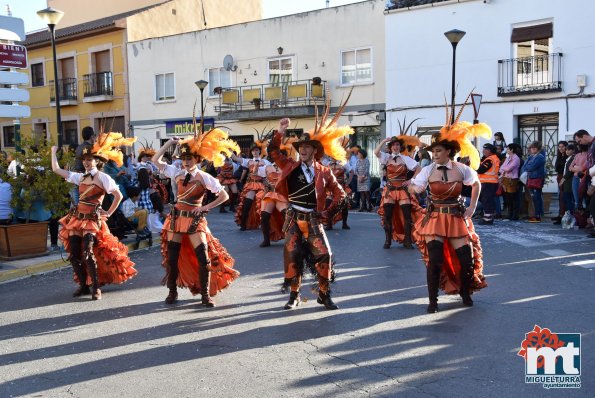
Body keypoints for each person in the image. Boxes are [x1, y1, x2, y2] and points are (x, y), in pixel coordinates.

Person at [408, 105, 489, 313]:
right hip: (434, 218)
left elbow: (477, 184)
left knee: (466, 259)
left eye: (438, 151)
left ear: (449, 152)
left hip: (455, 218)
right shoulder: (427, 170)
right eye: (433, 151)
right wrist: (413, 187)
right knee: (434, 260)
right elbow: (417, 186)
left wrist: (472, 206)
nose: (434, 154)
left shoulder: (462, 169)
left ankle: (465, 292)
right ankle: (432, 301)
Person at [269, 115, 350, 311]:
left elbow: (341, 194)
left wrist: (327, 213)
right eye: (301, 147)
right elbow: (273, 151)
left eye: (307, 147)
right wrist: (281, 131)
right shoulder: (289, 165)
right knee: (292, 255)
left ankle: (324, 294)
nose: (303, 149)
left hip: (314, 221)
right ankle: (294, 296)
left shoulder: (324, 171)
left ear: (315, 150)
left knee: (324, 255)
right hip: (294, 219)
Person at [152, 131, 240, 307]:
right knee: (172, 257)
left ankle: (205, 295)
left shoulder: (205, 177)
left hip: (194, 220)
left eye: (190, 158)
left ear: (197, 159)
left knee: (203, 257)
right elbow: (155, 160)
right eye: (184, 158)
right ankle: (172, 291)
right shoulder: (176, 172)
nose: (186, 161)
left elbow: (224, 196)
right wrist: (169, 142)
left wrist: (204, 208)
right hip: (176, 218)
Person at [50, 133, 137, 300]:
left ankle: (96, 287)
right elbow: (56, 170)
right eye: (84, 160)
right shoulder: (80, 177)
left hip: (92, 220)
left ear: (97, 161)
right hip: (77, 219)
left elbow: (118, 195)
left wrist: (109, 212)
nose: (86, 162)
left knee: (88, 252)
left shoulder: (104, 177)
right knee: (74, 255)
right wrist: (53, 152)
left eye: (89, 159)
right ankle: (83, 285)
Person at [374, 135, 423, 249]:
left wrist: (411, 180)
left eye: (397, 145)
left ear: (400, 147)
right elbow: (376, 152)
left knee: (407, 216)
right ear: (390, 147)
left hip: (402, 190)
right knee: (387, 216)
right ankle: (388, 240)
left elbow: (419, 169)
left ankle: (407, 240)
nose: (395, 147)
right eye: (393, 145)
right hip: (390, 190)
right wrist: (384, 141)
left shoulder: (406, 159)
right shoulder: (386, 157)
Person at [231, 141, 271, 230]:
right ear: (251, 152)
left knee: (264, 205)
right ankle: (243, 225)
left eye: (257, 150)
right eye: (253, 151)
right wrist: (229, 148)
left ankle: (266, 225)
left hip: (262, 184)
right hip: (251, 184)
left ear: (260, 151)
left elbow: (270, 173)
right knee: (247, 204)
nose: (255, 152)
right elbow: (234, 158)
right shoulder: (248, 161)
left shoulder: (266, 161)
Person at [258, 161, 287, 247]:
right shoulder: (267, 166)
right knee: (264, 215)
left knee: (287, 215)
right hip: (270, 194)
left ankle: (293, 238)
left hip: (282, 195)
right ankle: (266, 240)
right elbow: (255, 174)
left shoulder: (288, 166)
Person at [520, 141, 546, 223]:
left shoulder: (540, 157)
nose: (532, 150)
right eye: (531, 148)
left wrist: (528, 167)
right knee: (534, 197)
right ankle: (537, 214)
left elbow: (531, 167)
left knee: (537, 197)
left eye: (534, 148)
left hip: (537, 178)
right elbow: (524, 166)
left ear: (538, 149)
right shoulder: (531, 157)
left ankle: (538, 215)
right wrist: (528, 167)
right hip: (531, 178)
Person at [325, 153, 352, 230]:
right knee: (328, 204)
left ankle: (344, 223)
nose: (332, 157)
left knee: (344, 205)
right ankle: (329, 224)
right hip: (331, 188)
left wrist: (348, 182)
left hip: (341, 187)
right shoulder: (327, 163)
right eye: (331, 155)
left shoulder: (343, 163)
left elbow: (351, 171)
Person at [477, 143, 500, 225]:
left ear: (489, 151)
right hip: (490, 183)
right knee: (487, 200)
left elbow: (480, 170)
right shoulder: (493, 158)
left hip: (488, 183)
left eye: (484, 149)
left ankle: (487, 219)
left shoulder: (490, 160)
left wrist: (475, 165)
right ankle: (488, 217)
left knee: (487, 200)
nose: (483, 151)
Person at [499, 143, 521, 220]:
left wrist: (504, 168)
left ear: (512, 150)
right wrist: (504, 168)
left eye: (508, 149)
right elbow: (501, 168)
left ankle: (515, 215)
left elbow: (509, 168)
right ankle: (510, 214)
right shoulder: (508, 158)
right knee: (507, 198)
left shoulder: (516, 158)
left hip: (512, 179)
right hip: (505, 179)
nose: (507, 150)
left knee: (513, 198)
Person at [553, 141, 569, 224]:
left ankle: (563, 215)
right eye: (559, 147)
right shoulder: (560, 156)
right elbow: (557, 168)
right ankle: (560, 214)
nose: (561, 148)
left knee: (563, 197)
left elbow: (564, 169)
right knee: (560, 197)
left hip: (564, 178)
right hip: (559, 177)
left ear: (566, 147)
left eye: (562, 146)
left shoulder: (568, 157)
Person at [559, 144, 577, 215]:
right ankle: (569, 215)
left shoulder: (573, 158)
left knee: (569, 199)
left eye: (569, 150)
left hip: (570, 181)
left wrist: (563, 179)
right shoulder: (569, 158)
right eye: (566, 150)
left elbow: (569, 171)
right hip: (567, 182)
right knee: (567, 199)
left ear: (573, 150)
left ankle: (572, 216)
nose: (567, 151)